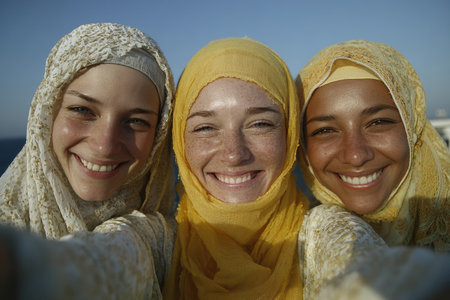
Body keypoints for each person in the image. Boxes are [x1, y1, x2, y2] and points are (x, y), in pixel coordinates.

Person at [162, 37, 393, 299]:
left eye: (260, 124)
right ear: (180, 141)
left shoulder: (328, 238)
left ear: (290, 133)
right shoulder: (154, 247)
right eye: (205, 128)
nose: (234, 154)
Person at [0, 23, 175, 298]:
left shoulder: (168, 233)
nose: (105, 145)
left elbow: (121, 249)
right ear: (47, 113)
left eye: (137, 121)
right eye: (82, 110)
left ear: (159, 135)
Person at [296, 40, 449, 251]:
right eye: (325, 130)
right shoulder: (289, 251)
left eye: (378, 123)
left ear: (413, 127)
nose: (356, 156)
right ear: (303, 147)